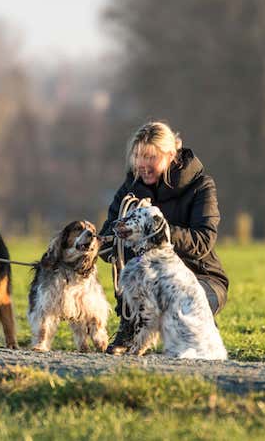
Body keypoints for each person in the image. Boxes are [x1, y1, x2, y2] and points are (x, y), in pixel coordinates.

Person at [98, 121, 229, 354]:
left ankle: (198, 331)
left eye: (151, 157)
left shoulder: (201, 187)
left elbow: (203, 241)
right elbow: (107, 239)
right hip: (148, 279)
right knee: (135, 278)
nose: (142, 164)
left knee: (181, 306)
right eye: (138, 156)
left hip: (201, 277)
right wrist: (112, 240)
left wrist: (157, 231)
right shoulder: (128, 190)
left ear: (171, 155)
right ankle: (131, 326)